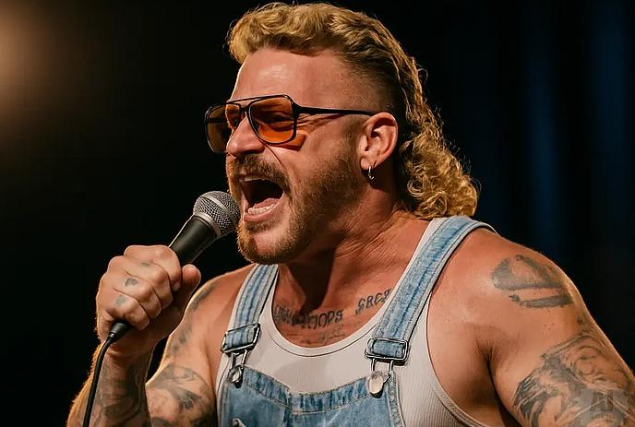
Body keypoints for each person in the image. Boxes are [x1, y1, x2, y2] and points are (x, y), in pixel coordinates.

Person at [67, 2, 635, 426]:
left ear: (373, 142)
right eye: (231, 122)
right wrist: (124, 360)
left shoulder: (492, 293)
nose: (238, 145)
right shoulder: (219, 313)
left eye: (274, 118)